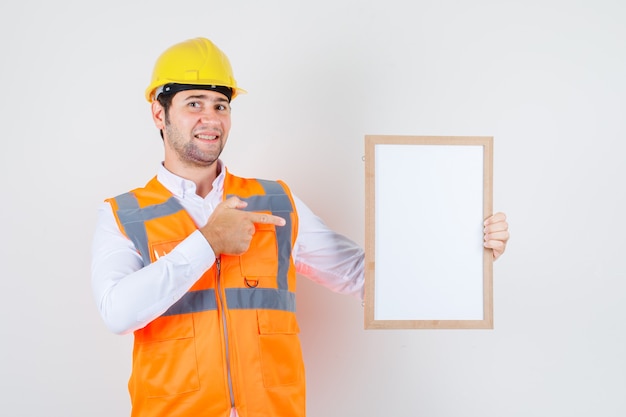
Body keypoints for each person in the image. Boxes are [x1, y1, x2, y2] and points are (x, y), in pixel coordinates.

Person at [91, 37, 510, 417]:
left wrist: (464, 248)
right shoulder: (123, 214)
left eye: (221, 105)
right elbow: (118, 313)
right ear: (158, 113)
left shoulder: (277, 202)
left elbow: (364, 276)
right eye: (194, 103)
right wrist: (208, 242)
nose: (211, 118)